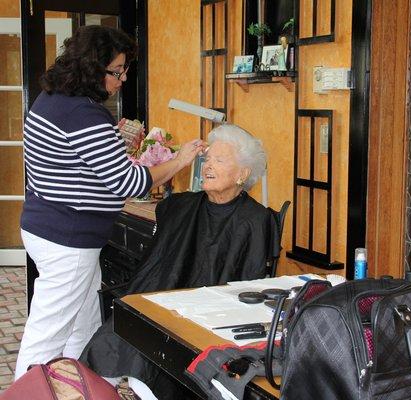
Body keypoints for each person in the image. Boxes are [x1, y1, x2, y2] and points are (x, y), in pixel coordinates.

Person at [15, 25, 205, 380]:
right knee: (48, 333)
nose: (123, 79)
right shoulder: (84, 115)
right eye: (117, 71)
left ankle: (86, 384)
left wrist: (114, 148)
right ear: (92, 68)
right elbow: (128, 183)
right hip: (68, 239)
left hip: (46, 227)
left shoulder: (51, 98)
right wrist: (181, 160)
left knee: (83, 326)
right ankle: (27, 389)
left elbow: (74, 165)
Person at [79, 124, 280, 400]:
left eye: (219, 160)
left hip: (212, 316)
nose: (207, 166)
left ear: (242, 174)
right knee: (122, 342)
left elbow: (250, 281)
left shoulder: (255, 220)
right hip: (162, 303)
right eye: (207, 159)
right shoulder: (182, 206)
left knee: (157, 359)